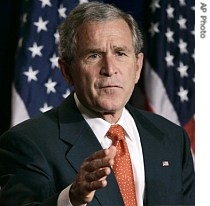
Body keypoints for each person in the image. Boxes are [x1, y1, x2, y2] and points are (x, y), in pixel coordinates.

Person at [0, 2, 195, 206]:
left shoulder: (172, 138)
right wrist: (72, 199)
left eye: (120, 53)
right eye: (94, 55)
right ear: (67, 71)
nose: (110, 69)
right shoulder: (28, 143)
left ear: (137, 66)